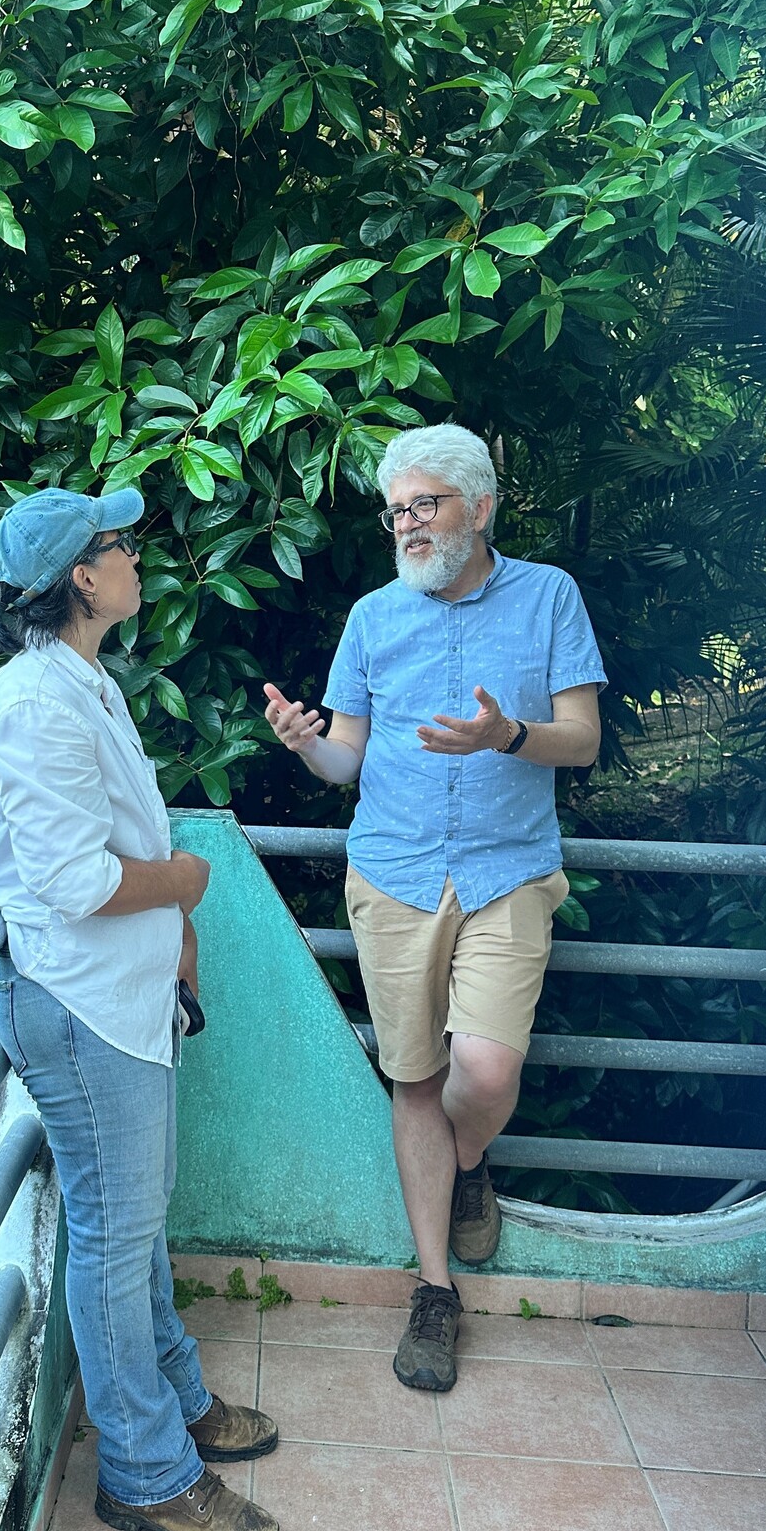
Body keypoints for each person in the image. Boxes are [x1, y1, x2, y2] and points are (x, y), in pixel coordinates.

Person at [0, 484, 282, 1531]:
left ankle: (176, 1400)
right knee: (112, 1232)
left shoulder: (81, 682)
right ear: (79, 580)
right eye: (120, 545)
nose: (136, 556)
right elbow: (77, 879)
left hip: (117, 992)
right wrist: (187, 882)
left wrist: (174, 929)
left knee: (131, 1223)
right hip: (77, 1001)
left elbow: (112, 842)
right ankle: (145, 1472)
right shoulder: (31, 704)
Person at [263, 424, 604, 1393]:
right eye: (397, 510)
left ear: (481, 505)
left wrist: (508, 735)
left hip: (507, 871)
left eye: (426, 504)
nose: (407, 523)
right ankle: (434, 1288)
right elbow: (347, 761)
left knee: (485, 1070)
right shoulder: (373, 616)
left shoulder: (549, 597)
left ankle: (464, 1160)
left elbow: (579, 741)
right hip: (395, 871)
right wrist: (304, 744)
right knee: (413, 1077)